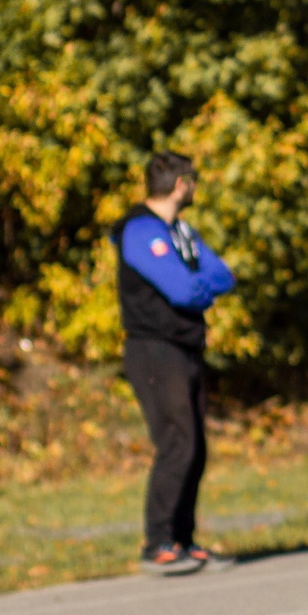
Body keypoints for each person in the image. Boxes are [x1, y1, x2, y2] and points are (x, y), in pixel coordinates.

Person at [116, 151, 237, 575]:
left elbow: (223, 275)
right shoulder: (139, 230)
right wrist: (199, 289)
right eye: (193, 180)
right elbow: (182, 291)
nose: (196, 187)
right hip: (154, 348)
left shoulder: (180, 231)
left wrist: (196, 285)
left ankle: (183, 539)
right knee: (177, 440)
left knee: (196, 446)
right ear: (181, 184)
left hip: (187, 346)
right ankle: (158, 542)